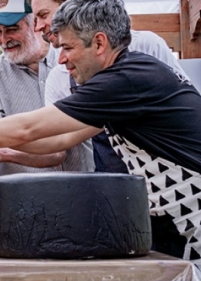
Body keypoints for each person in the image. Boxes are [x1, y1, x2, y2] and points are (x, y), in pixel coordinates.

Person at [0, 0, 201, 265]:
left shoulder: (125, 79)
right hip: (175, 221)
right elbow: (60, 139)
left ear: (99, 43)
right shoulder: (124, 82)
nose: (60, 60)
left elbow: (29, 127)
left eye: (69, 48)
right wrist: (0, 150)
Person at [32, 0, 190, 173]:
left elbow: (185, 103)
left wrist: (2, 135)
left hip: (176, 176)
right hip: (115, 182)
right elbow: (59, 140)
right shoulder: (59, 77)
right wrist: (5, 145)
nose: (38, 27)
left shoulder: (145, 50)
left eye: (43, 15)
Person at [0, 0, 93, 176]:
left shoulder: (73, 60)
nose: (3, 39)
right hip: (21, 195)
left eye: (12, 29)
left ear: (36, 24)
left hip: (81, 188)